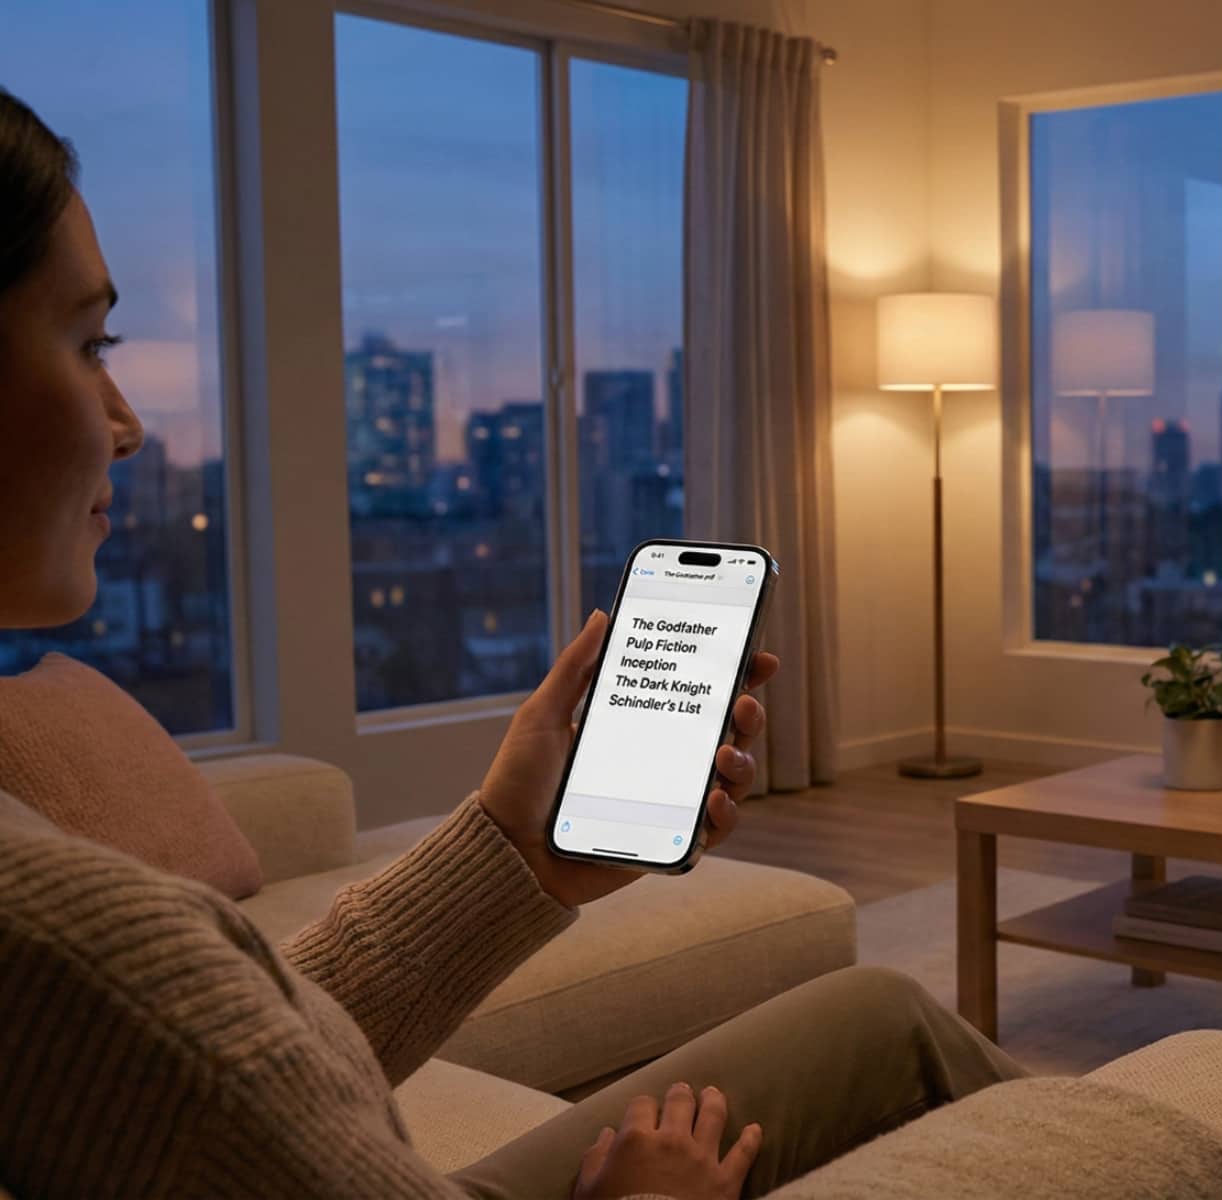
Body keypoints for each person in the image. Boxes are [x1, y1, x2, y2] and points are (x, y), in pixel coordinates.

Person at [0, 90, 1025, 1200]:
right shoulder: (68, 942)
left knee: (880, 1012)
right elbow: (194, 1068)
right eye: (87, 340)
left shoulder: (103, 984)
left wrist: (513, 852)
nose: (129, 421)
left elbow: (225, 1077)